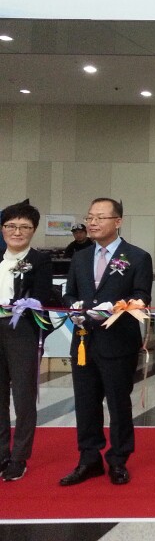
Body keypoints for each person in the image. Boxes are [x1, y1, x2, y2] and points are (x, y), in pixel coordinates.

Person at [60, 198, 153, 486]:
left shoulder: (137, 257)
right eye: (90, 217)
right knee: (86, 402)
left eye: (100, 217)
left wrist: (117, 307)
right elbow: (69, 293)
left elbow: (142, 297)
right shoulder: (80, 257)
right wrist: (73, 307)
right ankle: (89, 458)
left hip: (118, 341)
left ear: (118, 221)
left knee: (118, 403)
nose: (92, 223)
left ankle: (118, 459)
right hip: (84, 342)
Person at [0, 201, 53, 482]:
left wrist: (24, 304)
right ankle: (1, 453)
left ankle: (19, 457)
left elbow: (43, 296)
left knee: (23, 395)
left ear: (33, 230)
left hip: (21, 330)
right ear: (2, 228)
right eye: (11, 226)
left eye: (24, 227)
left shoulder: (39, 260)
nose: (17, 232)